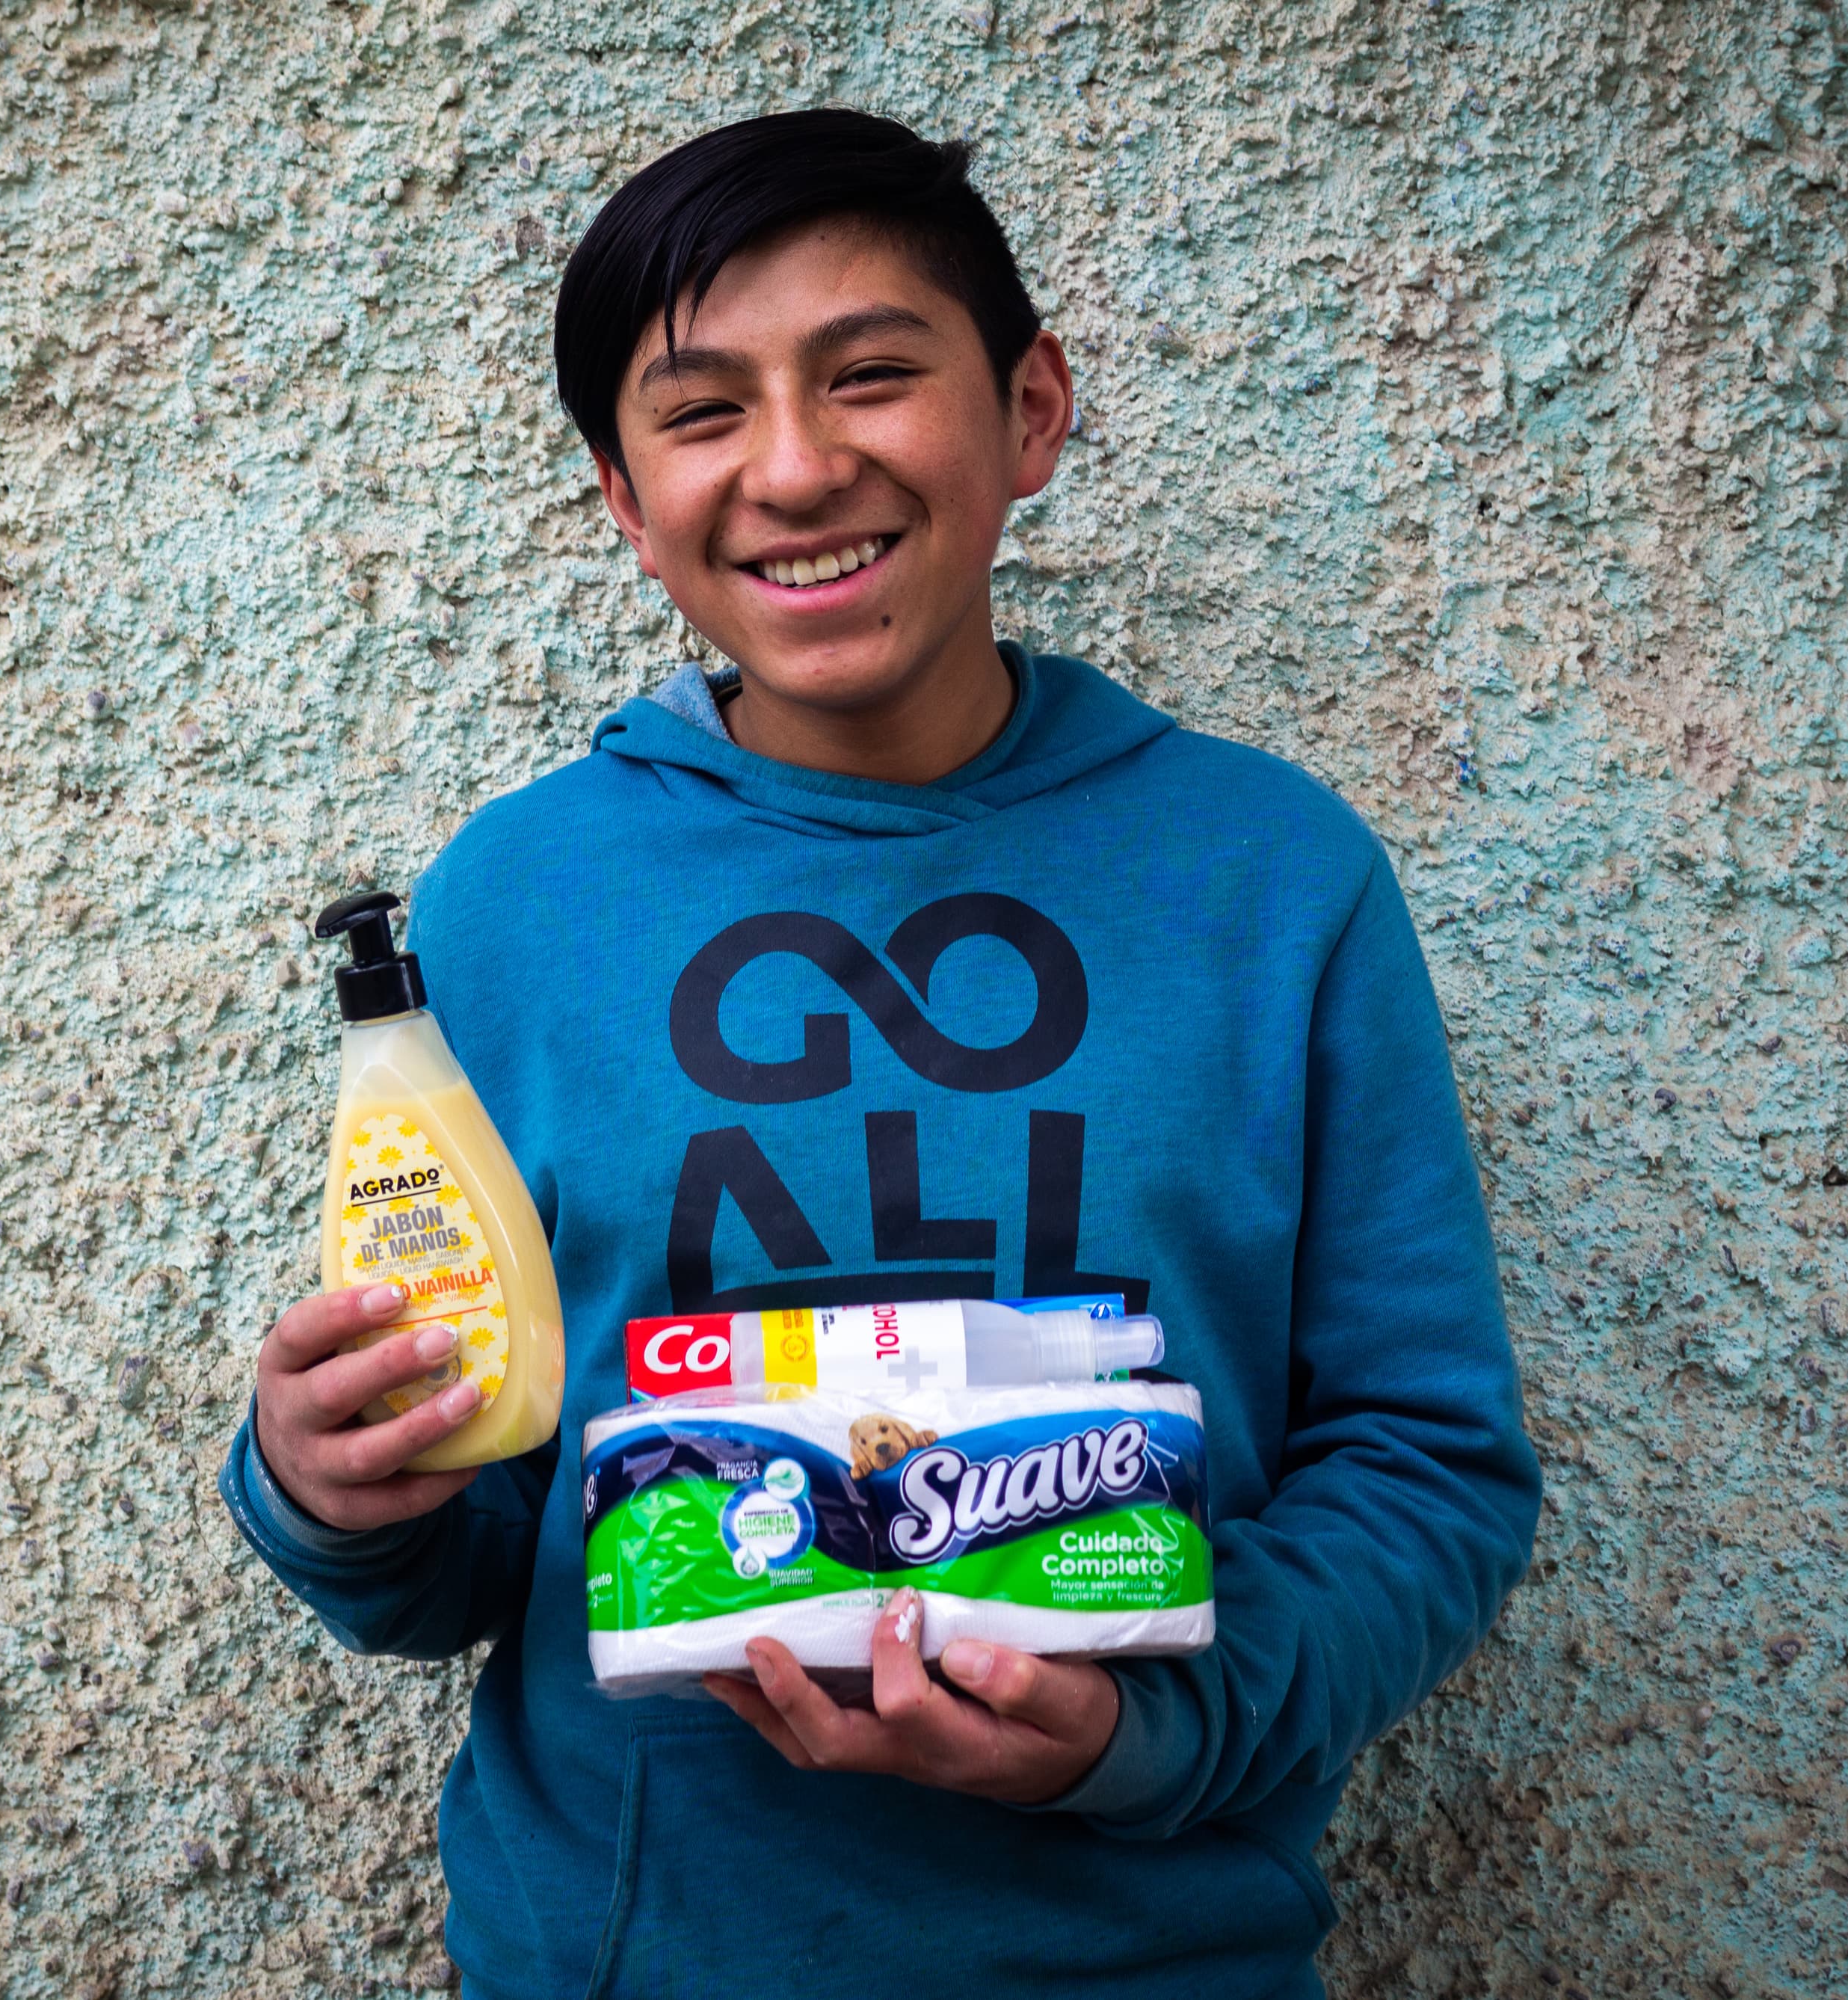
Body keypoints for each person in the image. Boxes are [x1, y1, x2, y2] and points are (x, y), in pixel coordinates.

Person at [221, 108, 1539, 1999]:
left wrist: (1146, 1731)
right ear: (621, 494)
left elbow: (1430, 1464)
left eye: (871, 377)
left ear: (1031, 412)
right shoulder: (517, 899)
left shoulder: (1275, 876)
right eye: (701, 411)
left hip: (1154, 1958)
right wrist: (335, 1488)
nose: (795, 467)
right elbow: (486, 1513)